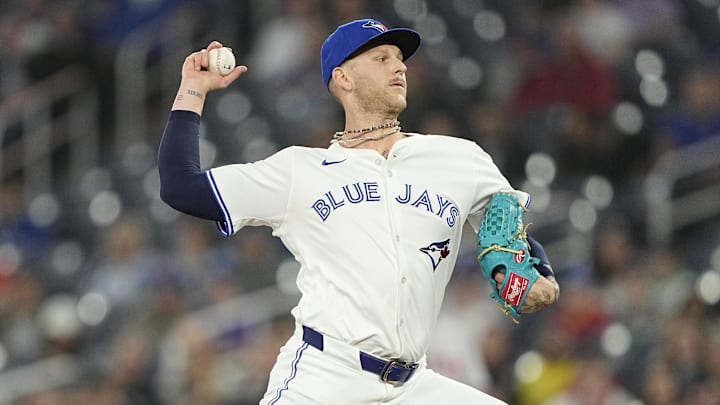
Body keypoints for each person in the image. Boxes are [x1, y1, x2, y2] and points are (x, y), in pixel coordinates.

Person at [158, 18, 560, 405]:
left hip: (413, 384)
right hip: (325, 377)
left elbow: (509, 234)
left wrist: (540, 274)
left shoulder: (458, 159)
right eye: (381, 58)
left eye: (400, 59)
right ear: (343, 77)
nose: (399, 66)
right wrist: (192, 89)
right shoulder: (299, 171)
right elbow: (181, 187)